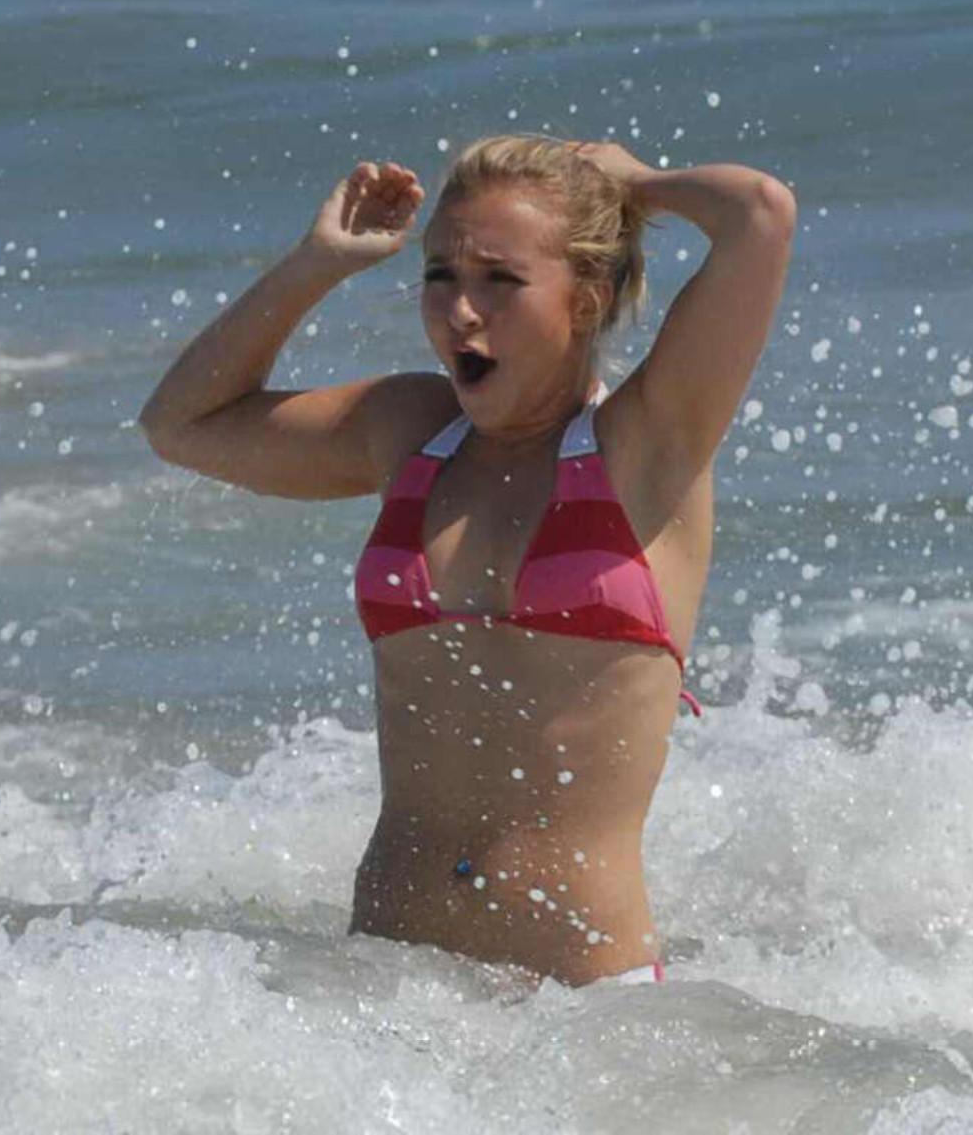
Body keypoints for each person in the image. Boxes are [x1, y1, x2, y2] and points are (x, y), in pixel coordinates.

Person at [139, 134, 795, 989]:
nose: (460, 311)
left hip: (590, 1012)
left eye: (500, 280)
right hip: (382, 992)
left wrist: (635, 182)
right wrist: (319, 263)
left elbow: (759, 214)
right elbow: (180, 424)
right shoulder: (410, 431)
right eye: (440, 275)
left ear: (586, 298)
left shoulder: (646, 444)